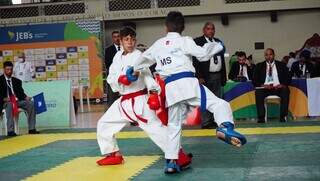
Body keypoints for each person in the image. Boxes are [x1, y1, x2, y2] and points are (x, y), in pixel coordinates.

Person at [129, 11, 246, 173]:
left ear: (165, 27)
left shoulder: (158, 44)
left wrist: (132, 69)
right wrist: (219, 46)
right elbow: (204, 54)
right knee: (218, 103)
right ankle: (225, 126)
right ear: (183, 27)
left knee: (174, 125)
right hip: (188, 83)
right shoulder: (185, 41)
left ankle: (171, 162)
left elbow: (142, 60)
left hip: (171, 89)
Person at [96, 27, 191, 173]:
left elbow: (148, 76)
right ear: (120, 41)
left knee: (156, 129)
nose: (130, 42)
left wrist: (153, 94)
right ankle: (113, 154)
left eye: (133, 39)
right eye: (127, 39)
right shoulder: (117, 57)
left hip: (139, 100)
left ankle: (179, 155)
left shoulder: (139, 55)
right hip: (123, 102)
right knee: (104, 124)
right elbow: (111, 77)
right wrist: (122, 79)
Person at [193, 22, 227, 129]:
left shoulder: (218, 42)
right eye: (208, 29)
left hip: (217, 74)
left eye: (213, 29)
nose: (211, 31)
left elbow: (222, 60)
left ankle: (215, 120)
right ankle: (206, 122)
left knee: (217, 99)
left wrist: (223, 76)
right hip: (205, 76)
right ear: (204, 30)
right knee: (206, 99)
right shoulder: (198, 42)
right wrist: (199, 76)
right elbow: (195, 60)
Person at [0, 61, 39, 136]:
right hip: (5, 102)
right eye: (7, 69)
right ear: (4, 70)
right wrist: (4, 99)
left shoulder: (17, 81)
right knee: (10, 104)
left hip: (17, 101)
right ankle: (10, 131)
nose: (9, 71)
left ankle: (32, 129)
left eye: (11, 69)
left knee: (30, 104)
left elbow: (21, 93)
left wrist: (26, 97)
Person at [252, 48, 291, 123]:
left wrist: (282, 85)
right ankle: (261, 118)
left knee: (285, 90)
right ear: (264, 56)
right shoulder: (259, 66)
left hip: (278, 88)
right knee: (258, 92)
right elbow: (254, 81)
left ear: (274, 55)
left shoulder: (281, 65)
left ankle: (282, 116)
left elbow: (288, 78)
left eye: (270, 54)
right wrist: (263, 85)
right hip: (265, 89)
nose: (268, 56)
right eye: (266, 55)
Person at [105, 31, 121, 105]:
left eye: (118, 36)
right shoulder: (108, 50)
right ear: (112, 38)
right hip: (113, 73)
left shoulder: (124, 48)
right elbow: (107, 63)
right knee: (112, 95)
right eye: (115, 37)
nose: (117, 38)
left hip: (123, 73)